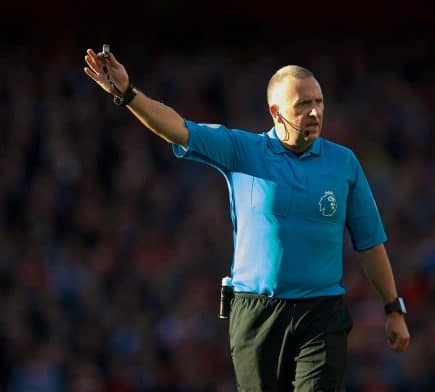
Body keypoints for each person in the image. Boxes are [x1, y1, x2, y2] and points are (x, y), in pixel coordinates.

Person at [83, 46, 410, 391]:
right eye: (302, 104)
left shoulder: (343, 163)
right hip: (256, 314)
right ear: (276, 112)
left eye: (319, 102)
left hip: (322, 313)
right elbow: (177, 128)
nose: (314, 111)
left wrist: (393, 307)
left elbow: (370, 241)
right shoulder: (242, 150)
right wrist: (128, 94)